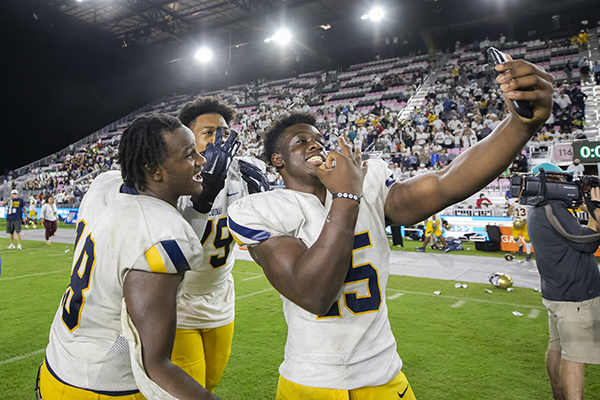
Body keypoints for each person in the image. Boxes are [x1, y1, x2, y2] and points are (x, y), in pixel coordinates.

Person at [227, 55, 553, 399]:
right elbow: (313, 295)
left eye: (319, 140)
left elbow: (444, 183)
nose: (315, 145)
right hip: (312, 378)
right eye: (300, 141)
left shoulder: (366, 184)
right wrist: (345, 193)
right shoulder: (259, 209)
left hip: (384, 372)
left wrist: (520, 125)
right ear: (277, 160)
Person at [39, 114, 220, 400]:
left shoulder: (105, 185)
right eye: (189, 155)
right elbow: (155, 365)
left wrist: (200, 201)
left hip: (58, 361)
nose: (202, 160)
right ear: (153, 170)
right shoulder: (159, 230)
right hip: (103, 385)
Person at [173, 96, 268, 393]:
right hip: (178, 299)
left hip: (221, 294)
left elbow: (259, 245)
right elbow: (176, 249)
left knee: (210, 384)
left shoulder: (242, 172)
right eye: (209, 133)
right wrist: (203, 199)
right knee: (188, 392)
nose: (219, 140)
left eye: (223, 132)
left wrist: (265, 202)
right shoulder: (174, 178)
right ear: (188, 140)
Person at [527, 171, 600, 400]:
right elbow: (587, 242)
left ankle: (558, 395)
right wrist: (596, 210)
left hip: (558, 293)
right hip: (575, 296)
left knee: (557, 348)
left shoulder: (539, 209)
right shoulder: (552, 209)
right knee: (575, 357)